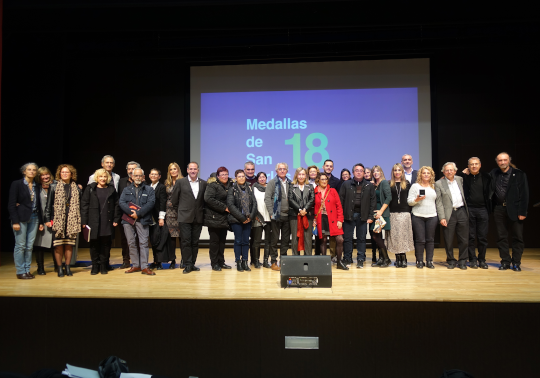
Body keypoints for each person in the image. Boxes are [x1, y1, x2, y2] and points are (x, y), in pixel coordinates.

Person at [490, 152, 529, 271]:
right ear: (497, 162)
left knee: (517, 237)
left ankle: (516, 262)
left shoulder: (519, 174)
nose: (502, 162)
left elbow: (525, 194)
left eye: (504, 160)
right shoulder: (493, 173)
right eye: (500, 160)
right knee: (501, 237)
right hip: (499, 209)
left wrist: (523, 212)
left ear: (509, 160)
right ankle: (505, 262)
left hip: (515, 210)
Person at [44, 164, 82, 277]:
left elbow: (80, 206)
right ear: (59, 174)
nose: (64, 174)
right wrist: (47, 219)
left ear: (71, 174)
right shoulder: (54, 187)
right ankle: (60, 268)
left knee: (69, 245)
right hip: (58, 220)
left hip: (71, 220)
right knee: (58, 245)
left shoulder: (76, 188)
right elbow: (48, 205)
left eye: (67, 172)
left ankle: (68, 267)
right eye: (62, 172)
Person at [8, 162, 45, 279]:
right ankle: (20, 271)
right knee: (20, 245)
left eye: (34, 170)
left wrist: (40, 221)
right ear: (24, 171)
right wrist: (15, 221)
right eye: (29, 170)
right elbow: (11, 204)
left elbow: (38, 205)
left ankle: (27, 270)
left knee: (29, 246)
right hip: (20, 218)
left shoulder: (37, 185)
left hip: (34, 218)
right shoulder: (17, 184)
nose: (32, 172)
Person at [81, 168, 121, 275]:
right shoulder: (90, 189)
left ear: (108, 178)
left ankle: (103, 265)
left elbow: (117, 205)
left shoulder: (111, 189)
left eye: (105, 177)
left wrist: (116, 218)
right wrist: (84, 221)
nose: (103, 179)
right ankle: (95, 266)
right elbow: (84, 205)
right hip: (93, 221)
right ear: (96, 178)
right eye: (100, 176)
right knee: (94, 244)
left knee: (106, 244)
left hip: (107, 221)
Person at [171, 162, 207, 274]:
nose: (192, 171)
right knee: (186, 241)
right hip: (184, 217)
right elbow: (174, 200)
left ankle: (193, 263)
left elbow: (204, 201)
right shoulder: (180, 182)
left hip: (198, 217)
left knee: (195, 242)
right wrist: (182, 211)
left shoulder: (203, 183)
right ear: (187, 170)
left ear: (198, 170)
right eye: (190, 169)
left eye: (195, 169)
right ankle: (187, 264)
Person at [119, 167, 156, 275]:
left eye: (140, 175)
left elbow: (151, 203)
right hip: (128, 220)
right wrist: (131, 213)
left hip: (143, 219)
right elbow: (121, 202)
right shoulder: (126, 190)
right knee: (131, 243)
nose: (138, 177)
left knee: (143, 243)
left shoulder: (149, 189)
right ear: (132, 177)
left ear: (144, 177)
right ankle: (135, 265)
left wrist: (138, 214)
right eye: (136, 175)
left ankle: (144, 266)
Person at [339, 163, 376, 268]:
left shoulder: (369, 185)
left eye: (361, 170)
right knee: (347, 238)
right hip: (348, 215)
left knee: (361, 238)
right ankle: (347, 258)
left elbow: (373, 201)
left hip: (363, 216)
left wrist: (370, 216)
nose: (359, 172)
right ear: (353, 173)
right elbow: (340, 200)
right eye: (357, 170)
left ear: (364, 173)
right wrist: (340, 216)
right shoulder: (346, 184)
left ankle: (360, 258)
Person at [435, 162, 469, 270]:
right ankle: (451, 260)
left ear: (455, 171)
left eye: (451, 170)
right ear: (443, 172)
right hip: (449, 214)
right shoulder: (439, 183)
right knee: (448, 239)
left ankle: (463, 260)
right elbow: (439, 202)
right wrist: (442, 217)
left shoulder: (460, 180)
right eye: (447, 170)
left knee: (464, 239)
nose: (449, 172)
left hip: (462, 211)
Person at [460, 157, 493, 269]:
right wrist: (463, 173)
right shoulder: (464, 177)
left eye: (476, 164)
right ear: (468, 166)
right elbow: (450, 179)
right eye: (471, 164)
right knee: (470, 236)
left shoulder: (487, 177)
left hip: (483, 209)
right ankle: (472, 259)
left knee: (482, 236)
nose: (474, 166)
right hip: (469, 209)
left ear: (480, 165)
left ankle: (482, 260)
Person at [313, 173, 347, 270]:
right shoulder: (314, 192)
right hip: (321, 219)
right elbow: (313, 207)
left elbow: (339, 206)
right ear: (318, 180)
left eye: (326, 179)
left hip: (333, 219)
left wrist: (340, 219)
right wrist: (314, 220)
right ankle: (324, 263)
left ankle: (339, 262)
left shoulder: (332, 191)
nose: (324, 181)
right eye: (322, 179)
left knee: (340, 239)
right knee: (323, 240)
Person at [408, 166, 438, 269]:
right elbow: (409, 202)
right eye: (424, 173)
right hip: (418, 216)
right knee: (420, 240)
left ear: (431, 175)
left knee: (430, 239)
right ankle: (419, 261)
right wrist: (416, 199)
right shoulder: (415, 186)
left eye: (428, 173)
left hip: (432, 216)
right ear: (420, 175)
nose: (426, 175)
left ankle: (429, 261)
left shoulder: (434, 186)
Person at [227, 169, 258, 272]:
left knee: (246, 242)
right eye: (239, 176)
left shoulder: (249, 188)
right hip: (236, 220)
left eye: (243, 176)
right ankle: (238, 262)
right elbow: (231, 205)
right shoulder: (232, 189)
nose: (241, 178)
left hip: (248, 220)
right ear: (236, 178)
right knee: (238, 241)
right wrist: (242, 218)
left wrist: (251, 217)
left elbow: (254, 203)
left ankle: (245, 261)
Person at [204, 166, 233, 271]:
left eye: (226, 174)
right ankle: (214, 263)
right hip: (213, 217)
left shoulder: (230, 185)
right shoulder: (212, 185)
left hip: (224, 218)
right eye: (222, 174)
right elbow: (208, 199)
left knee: (222, 242)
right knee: (214, 242)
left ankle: (221, 262)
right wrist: (224, 207)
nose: (224, 176)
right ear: (217, 176)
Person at [264, 162, 292, 271]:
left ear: (287, 171)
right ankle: (274, 261)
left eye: (284, 169)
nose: (282, 171)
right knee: (274, 240)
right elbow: (267, 198)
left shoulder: (290, 183)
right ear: (276, 171)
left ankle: (283, 260)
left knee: (285, 240)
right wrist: (271, 212)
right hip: (276, 216)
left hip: (288, 215)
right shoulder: (272, 182)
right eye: (280, 169)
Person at [385, 163, 414, 268]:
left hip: (405, 213)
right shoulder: (389, 184)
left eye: (399, 170)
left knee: (403, 236)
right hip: (392, 213)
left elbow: (411, 198)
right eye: (395, 170)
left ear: (402, 172)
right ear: (393, 172)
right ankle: (398, 258)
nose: (397, 172)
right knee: (395, 236)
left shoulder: (407, 183)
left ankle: (404, 258)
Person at [117, 161, 140, 269]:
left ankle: (138, 261)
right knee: (125, 239)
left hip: (138, 215)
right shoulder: (121, 182)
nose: (131, 171)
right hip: (125, 214)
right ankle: (126, 260)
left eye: (133, 169)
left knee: (138, 239)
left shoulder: (141, 181)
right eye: (129, 169)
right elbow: (119, 199)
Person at [34, 167, 56, 275]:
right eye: (42, 175)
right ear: (39, 176)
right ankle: (40, 268)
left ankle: (57, 266)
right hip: (40, 219)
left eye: (47, 174)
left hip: (53, 218)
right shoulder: (36, 187)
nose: (45, 177)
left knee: (55, 243)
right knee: (39, 244)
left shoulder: (55, 185)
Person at [289, 167, 315, 255]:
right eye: (299, 174)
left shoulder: (310, 186)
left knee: (307, 238)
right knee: (296, 238)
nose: (301, 176)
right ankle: (295, 259)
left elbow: (312, 199)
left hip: (307, 215)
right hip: (294, 215)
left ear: (306, 176)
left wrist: (305, 209)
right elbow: (290, 199)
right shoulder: (291, 186)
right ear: (296, 175)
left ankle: (308, 259)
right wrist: (300, 210)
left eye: (303, 174)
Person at [370, 165, 392, 267]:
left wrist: (380, 211)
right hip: (375, 213)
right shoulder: (375, 184)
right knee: (376, 236)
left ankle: (386, 259)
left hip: (381, 213)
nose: (375, 173)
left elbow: (388, 198)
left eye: (377, 171)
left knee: (376, 236)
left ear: (381, 172)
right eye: (374, 172)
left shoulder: (384, 183)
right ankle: (382, 259)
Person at [164, 162, 183, 269]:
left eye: (175, 169)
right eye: (171, 169)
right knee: (171, 239)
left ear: (178, 170)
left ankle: (183, 259)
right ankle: (172, 260)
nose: (173, 171)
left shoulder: (184, 181)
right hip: (169, 213)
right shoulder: (167, 183)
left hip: (181, 212)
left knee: (182, 238)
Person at [148, 169, 168, 270]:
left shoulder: (161, 187)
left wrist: (161, 218)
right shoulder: (147, 187)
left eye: (156, 174)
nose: (154, 176)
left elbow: (162, 203)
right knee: (152, 240)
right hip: (148, 219)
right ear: (149, 175)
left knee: (157, 240)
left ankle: (159, 262)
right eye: (152, 174)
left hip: (157, 218)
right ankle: (155, 261)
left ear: (159, 176)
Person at [252, 172, 272, 268]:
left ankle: (265, 261)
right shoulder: (254, 188)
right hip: (258, 218)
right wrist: (254, 214)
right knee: (257, 241)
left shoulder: (270, 188)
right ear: (257, 179)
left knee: (268, 241)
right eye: (260, 177)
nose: (262, 179)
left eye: (263, 177)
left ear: (266, 178)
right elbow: (251, 202)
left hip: (269, 218)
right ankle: (256, 261)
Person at [322, 159, 340, 261]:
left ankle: (333, 256)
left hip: (332, 213)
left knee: (333, 236)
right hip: (321, 213)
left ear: (332, 168)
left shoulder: (336, 181)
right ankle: (321, 257)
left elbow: (338, 199)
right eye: (327, 166)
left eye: (330, 166)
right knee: (322, 236)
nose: (328, 167)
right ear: (323, 166)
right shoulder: (318, 179)